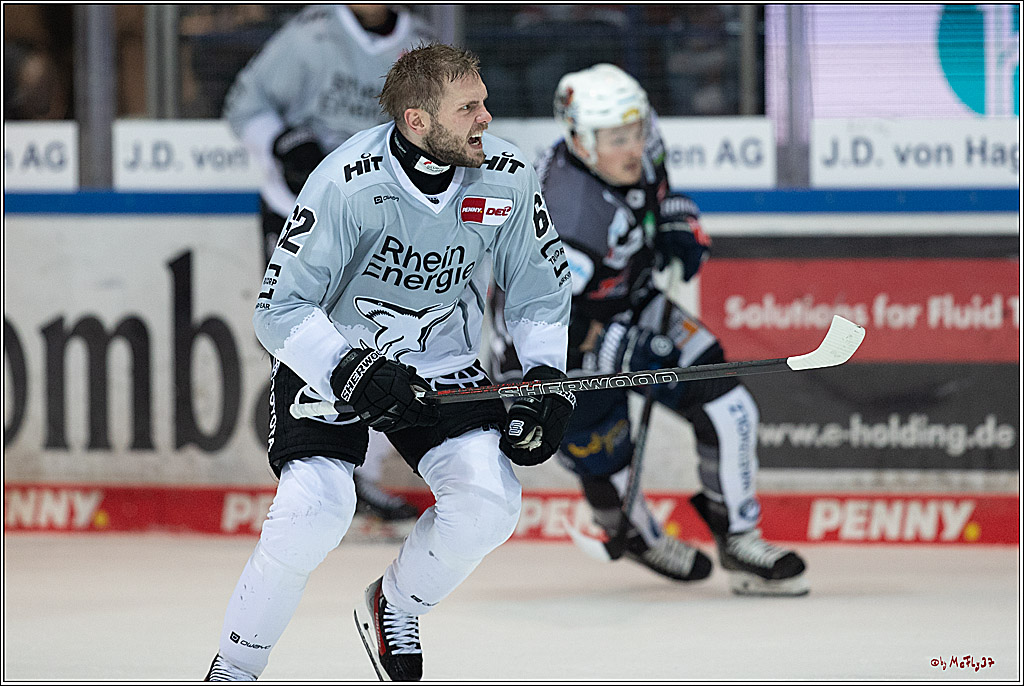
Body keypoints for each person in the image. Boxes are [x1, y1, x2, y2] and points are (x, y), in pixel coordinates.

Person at [205, 43, 574, 681]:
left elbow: (540, 287)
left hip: (442, 360)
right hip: (340, 358)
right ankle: (237, 666)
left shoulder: (507, 175)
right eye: (469, 108)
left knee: (489, 503)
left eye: (484, 101)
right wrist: (349, 368)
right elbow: (279, 308)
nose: (486, 117)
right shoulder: (346, 181)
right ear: (416, 121)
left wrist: (545, 378)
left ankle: (394, 605)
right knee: (312, 511)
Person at [488, 63, 808, 596]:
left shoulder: (642, 145)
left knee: (730, 403)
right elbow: (533, 318)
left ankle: (738, 534)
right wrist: (620, 348)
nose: (633, 147)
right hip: (553, 353)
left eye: (637, 130)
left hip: (633, 304)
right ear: (580, 140)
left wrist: (676, 221)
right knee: (603, 452)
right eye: (618, 139)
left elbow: (656, 197)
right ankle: (631, 533)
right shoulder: (567, 216)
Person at [223, 4, 438, 524]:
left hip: (377, 214)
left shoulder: (422, 45)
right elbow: (243, 105)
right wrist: (281, 141)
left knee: (389, 334)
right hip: (302, 209)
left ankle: (360, 474)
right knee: (303, 329)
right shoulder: (311, 37)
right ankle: (311, 473)